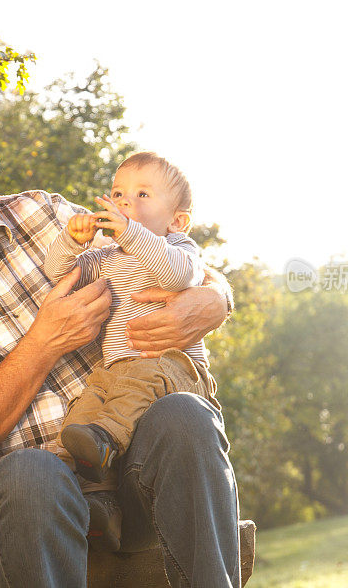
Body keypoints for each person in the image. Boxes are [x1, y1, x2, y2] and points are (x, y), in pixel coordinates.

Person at [0, 82, 242, 588]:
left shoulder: (40, 214)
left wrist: (216, 296)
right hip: (12, 500)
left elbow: (156, 249)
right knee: (34, 474)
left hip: (126, 474)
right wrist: (42, 344)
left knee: (187, 414)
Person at [44, 152, 220, 552]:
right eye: (118, 193)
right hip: (115, 369)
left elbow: (177, 275)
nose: (126, 202)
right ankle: (98, 499)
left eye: (143, 194)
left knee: (130, 394)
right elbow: (58, 274)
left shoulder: (179, 246)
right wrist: (72, 241)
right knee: (85, 410)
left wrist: (130, 234)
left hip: (174, 369)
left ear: (177, 219)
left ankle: (105, 437)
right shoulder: (106, 257)